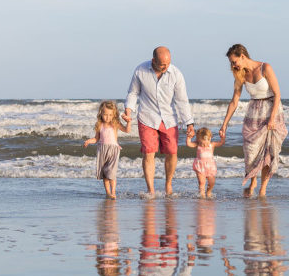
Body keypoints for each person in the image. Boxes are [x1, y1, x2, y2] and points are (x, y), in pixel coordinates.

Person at [123, 46, 195, 197]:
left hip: (169, 118)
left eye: (168, 64)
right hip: (147, 117)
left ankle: (168, 184)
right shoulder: (140, 71)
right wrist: (128, 110)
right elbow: (133, 93)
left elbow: (182, 100)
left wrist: (189, 123)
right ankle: (151, 190)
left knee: (172, 152)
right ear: (153, 60)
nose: (165, 67)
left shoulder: (176, 74)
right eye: (162, 64)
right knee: (149, 153)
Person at [219, 44, 288, 197]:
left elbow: (277, 94)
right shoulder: (240, 74)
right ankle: (253, 181)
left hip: (271, 110)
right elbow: (234, 101)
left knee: (268, 153)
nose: (233, 65)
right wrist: (224, 124)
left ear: (242, 56)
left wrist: (272, 118)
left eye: (234, 61)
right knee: (250, 152)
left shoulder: (265, 68)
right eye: (231, 62)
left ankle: (262, 188)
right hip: (253, 114)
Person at [83, 100, 131, 199]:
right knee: (105, 173)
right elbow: (96, 139)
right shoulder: (99, 125)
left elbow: (127, 130)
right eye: (105, 114)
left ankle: (113, 192)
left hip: (113, 150)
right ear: (101, 113)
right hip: (102, 150)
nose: (107, 117)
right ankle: (108, 193)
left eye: (110, 115)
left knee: (111, 173)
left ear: (114, 114)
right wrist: (88, 141)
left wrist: (129, 122)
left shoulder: (115, 124)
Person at [186, 127, 225, 198]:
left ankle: (208, 192)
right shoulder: (197, 145)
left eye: (206, 142)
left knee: (212, 182)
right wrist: (189, 137)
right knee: (201, 183)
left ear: (210, 139)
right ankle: (202, 195)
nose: (204, 145)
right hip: (200, 166)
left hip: (210, 167)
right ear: (198, 140)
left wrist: (222, 137)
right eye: (202, 143)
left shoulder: (212, 145)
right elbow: (189, 144)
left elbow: (221, 143)